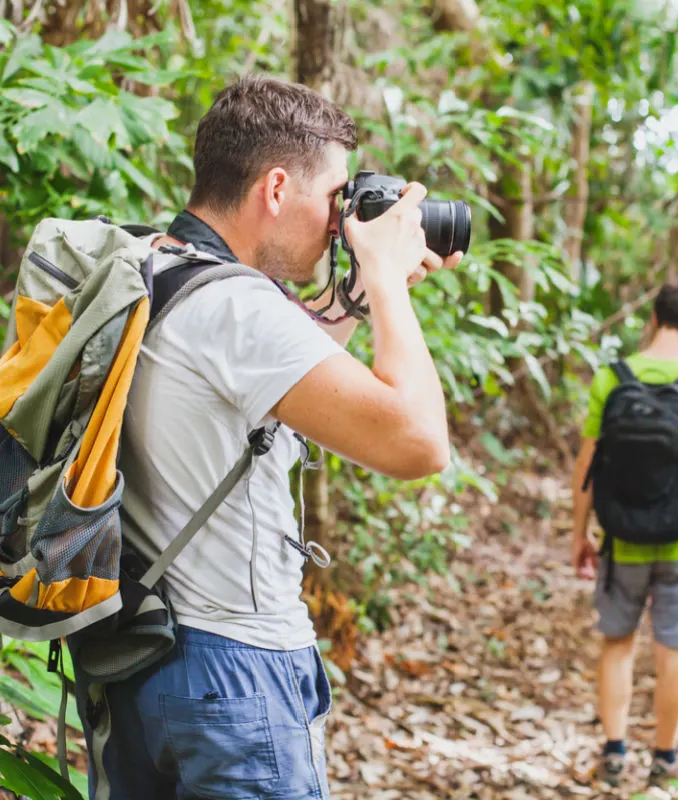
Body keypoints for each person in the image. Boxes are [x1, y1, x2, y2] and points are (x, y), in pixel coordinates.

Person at [71, 75, 462, 800]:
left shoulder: (154, 267)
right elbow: (419, 445)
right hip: (235, 676)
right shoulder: (238, 310)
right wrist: (384, 280)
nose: (342, 220)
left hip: (138, 658)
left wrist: (352, 297)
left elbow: (273, 367)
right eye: (336, 197)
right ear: (277, 188)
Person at [571, 278, 678, 788]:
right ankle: (664, 762)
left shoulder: (612, 378)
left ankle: (613, 752)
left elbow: (587, 463)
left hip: (620, 538)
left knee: (618, 643)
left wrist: (579, 534)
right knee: (673, 651)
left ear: (653, 318)